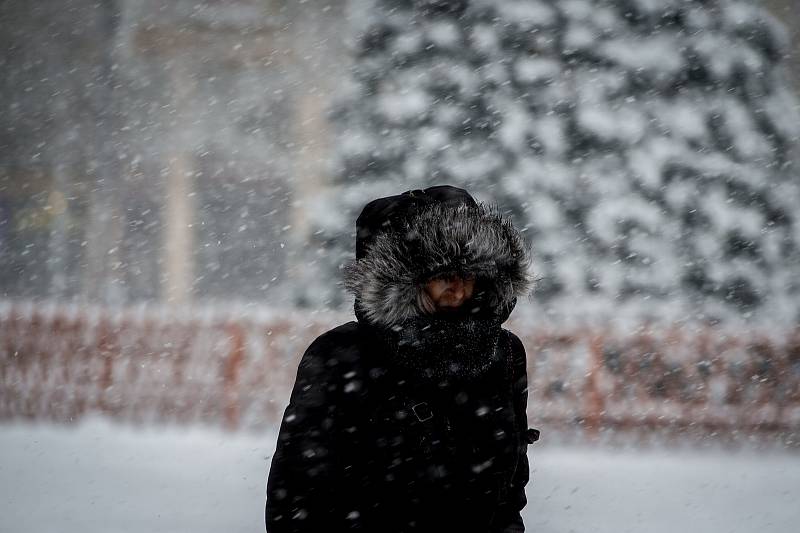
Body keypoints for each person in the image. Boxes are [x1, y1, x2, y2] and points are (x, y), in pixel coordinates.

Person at [265, 185, 538, 533]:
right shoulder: (340, 356)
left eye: (469, 274)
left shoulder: (503, 353)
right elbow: (297, 494)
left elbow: (510, 489)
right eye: (442, 276)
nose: (458, 289)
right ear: (403, 282)